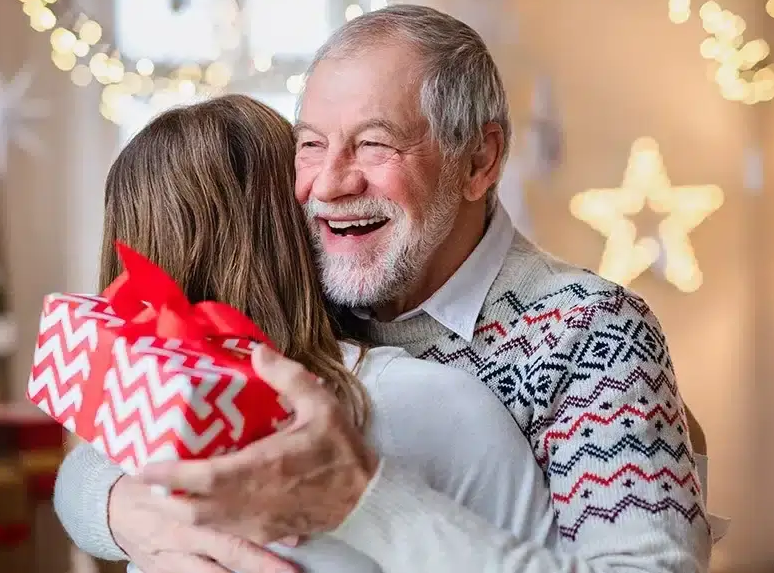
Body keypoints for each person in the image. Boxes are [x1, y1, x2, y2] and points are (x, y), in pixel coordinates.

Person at [55, 3, 721, 573]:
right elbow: (93, 458)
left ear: (479, 159)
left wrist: (366, 500)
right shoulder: (311, 285)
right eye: (311, 145)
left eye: (374, 144)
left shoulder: (592, 331)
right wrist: (124, 512)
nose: (331, 184)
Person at [65, 93, 562, 573]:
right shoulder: (425, 400)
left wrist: (108, 506)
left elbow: (78, 474)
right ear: (296, 220)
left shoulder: (135, 419)